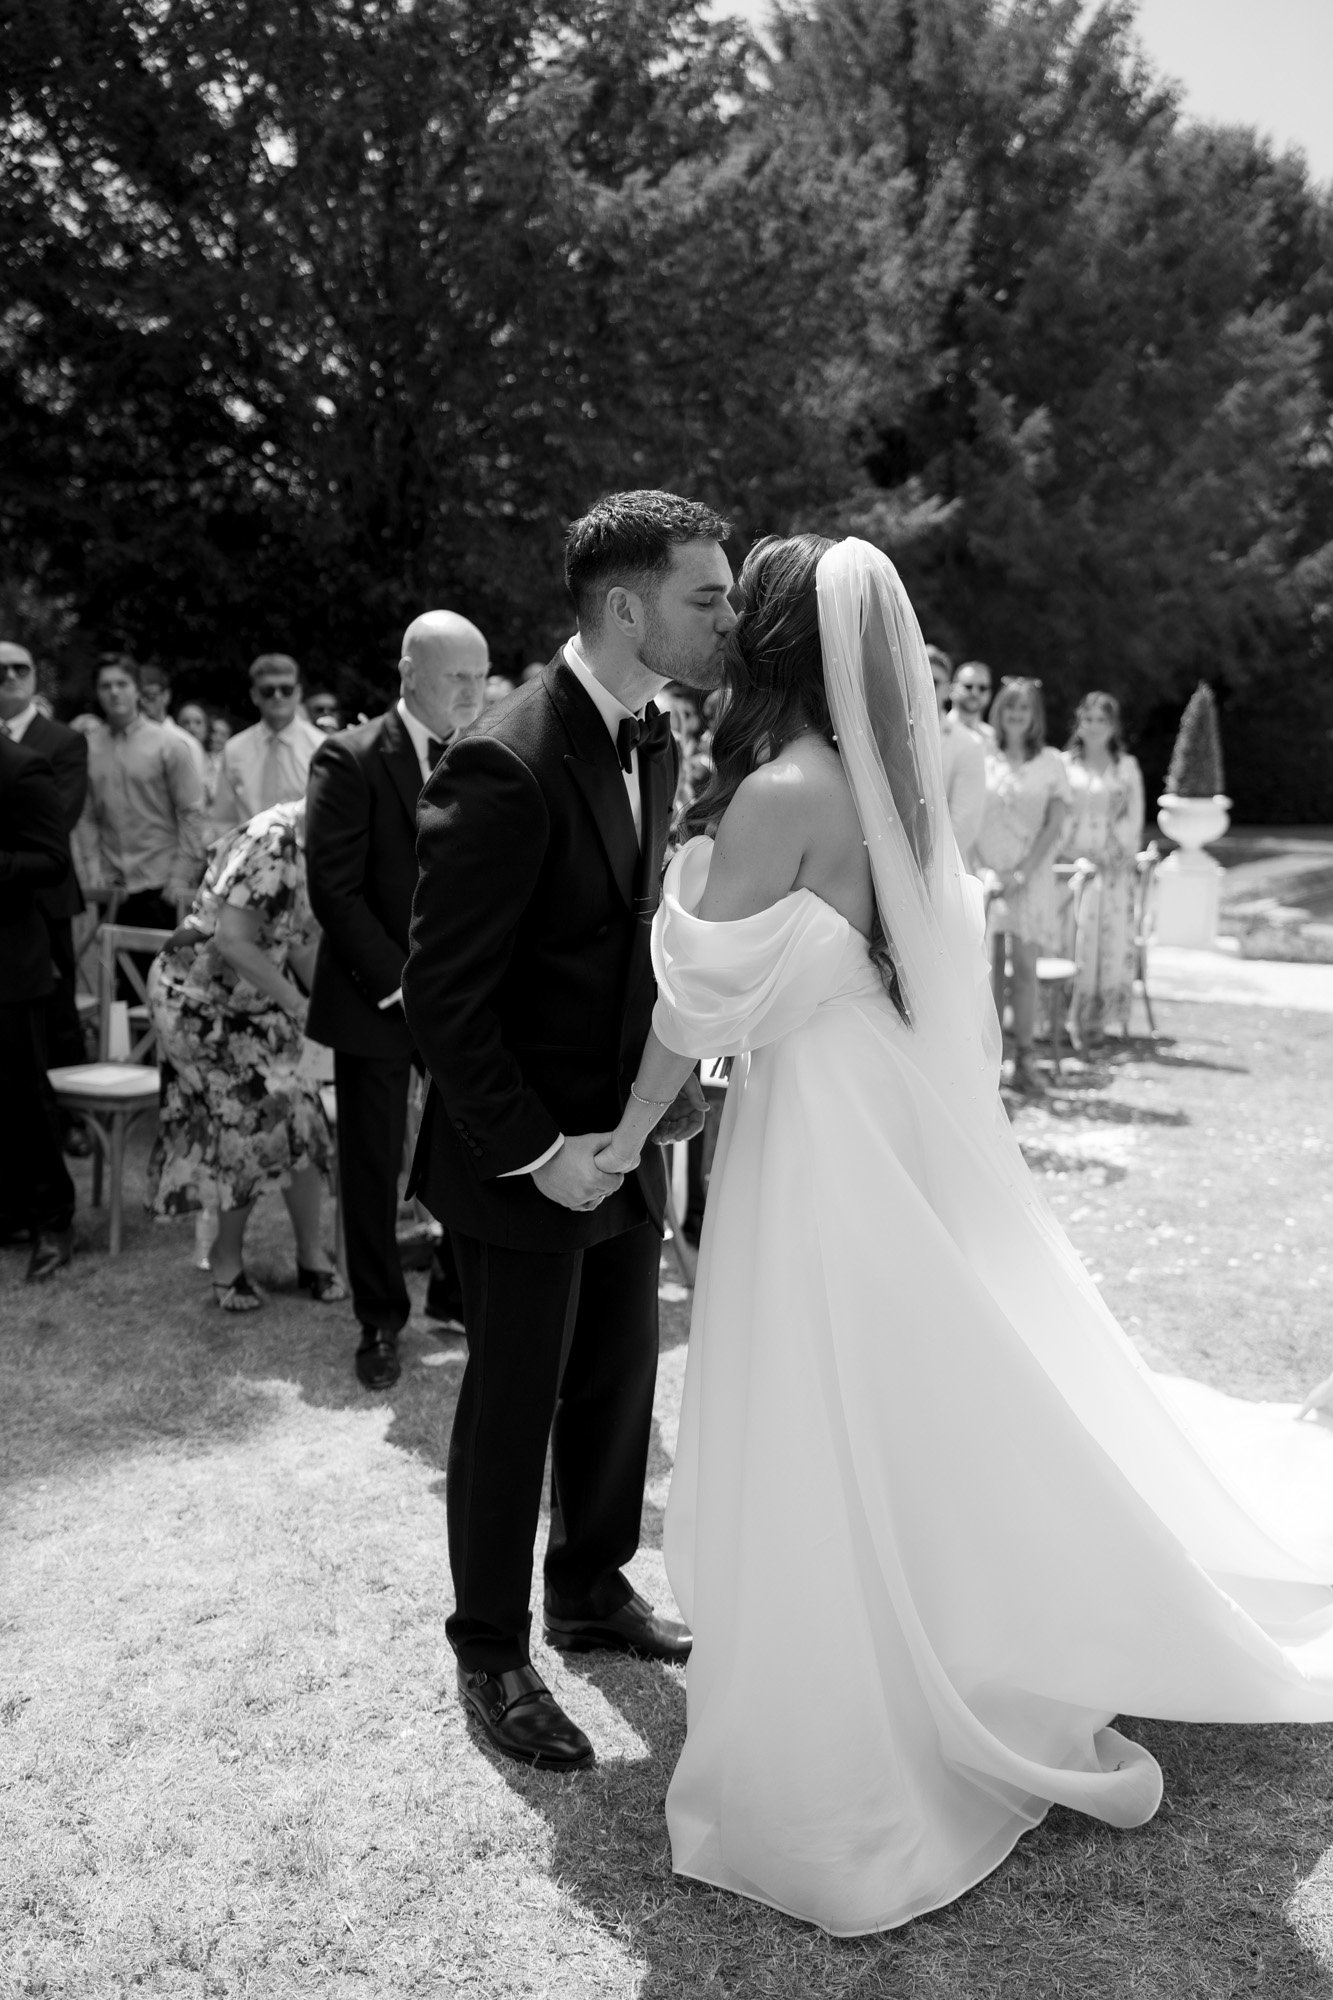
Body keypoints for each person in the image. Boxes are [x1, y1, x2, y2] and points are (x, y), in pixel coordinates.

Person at [591, 533, 1333, 1937]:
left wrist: (628, 1135)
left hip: (812, 1123)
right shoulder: (898, 796)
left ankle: (843, 1715)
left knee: (816, 1398)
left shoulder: (778, 797)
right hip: (874, 1101)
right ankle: (923, 1625)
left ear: (772, 642)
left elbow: (695, 1006)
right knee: (889, 1388)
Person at [402, 489, 724, 1771]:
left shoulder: (656, 732)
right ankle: (490, 1649)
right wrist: (545, 1148)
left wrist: (658, 1096)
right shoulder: (506, 753)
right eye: (705, 595)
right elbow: (444, 992)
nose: (723, 616)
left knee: (616, 1381)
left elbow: (639, 923)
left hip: (626, 1136)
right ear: (627, 605)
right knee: (512, 1403)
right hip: (520, 1156)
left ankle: (589, 1588)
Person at [306, 611, 486, 1392]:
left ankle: (455, 1292)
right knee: (373, 1166)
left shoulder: (487, 755)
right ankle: (379, 1319)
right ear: (409, 673)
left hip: (467, 1001)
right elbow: (335, 893)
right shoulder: (347, 758)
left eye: (482, 678)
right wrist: (408, 987)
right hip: (375, 998)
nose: (474, 694)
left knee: (472, 1151)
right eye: (458, 678)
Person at [147, 799, 344, 1311]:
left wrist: (330, 1008)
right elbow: (233, 941)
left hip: (258, 1003)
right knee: (249, 1121)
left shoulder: (323, 844)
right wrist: (299, 1003)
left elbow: (297, 943)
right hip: (199, 1005)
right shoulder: (271, 839)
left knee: (304, 1118)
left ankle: (312, 1256)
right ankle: (227, 1260)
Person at [0, 643, 91, 1131]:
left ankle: (71, 1122)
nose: (11, 676)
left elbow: (60, 814)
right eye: (1, 669)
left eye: (21, 668)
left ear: (36, 677)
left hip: (45, 897)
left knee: (57, 1015)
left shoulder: (60, 740)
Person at [0, 734, 77, 1280]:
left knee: (22, 1093)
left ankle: (53, 1219)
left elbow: (53, 862)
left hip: (8, 960)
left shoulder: (22, 769)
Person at [974, 677, 1071, 1092]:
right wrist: (985, 871)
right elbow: (965, 811)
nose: (1016, 715)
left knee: (1026, 969)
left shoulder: (1051, 762)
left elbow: (1055, 823)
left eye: (1025, 708)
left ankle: (1026, 1058)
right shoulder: (982, 755)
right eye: (1010, 707)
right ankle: (989, 1061)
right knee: (987, 969)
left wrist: (1023, 872)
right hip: (987, 874)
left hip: (1029, 878)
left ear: (1035, 716)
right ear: (1000, 711)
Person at [85, 655, 207, 929]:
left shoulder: (170, 745)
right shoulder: (89, 748)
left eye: (122, 684)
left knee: (163, 970)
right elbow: (88, 815)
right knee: (113, 971)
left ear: (137, 689)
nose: (114, 692)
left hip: (161, 883)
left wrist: (180, 875)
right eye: (106, 686)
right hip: (113, 884)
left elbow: (191, 813)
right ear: (97, 692)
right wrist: (93, 869)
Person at [1060, 691, 1145, 1047]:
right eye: (1088, 718)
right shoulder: (1065, 765)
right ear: (1079, 722)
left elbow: (1134, 818)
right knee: (1071, 941)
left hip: (1111, 871)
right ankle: (1063, 1018)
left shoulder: (1126, 768)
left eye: (1102, 720)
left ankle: (1098, 1020)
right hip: (1071, 868)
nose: (1094, 726)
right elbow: (1057, 815)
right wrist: (1070, 852)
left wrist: (1114, 853)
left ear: (1113, 726)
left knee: (1106, 942)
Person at [208, 654, 324, 839]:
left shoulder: (320, 747)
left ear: (298, 693)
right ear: (254, 695)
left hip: (305, 858)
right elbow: (223, 820)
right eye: (268, 690)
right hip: (247, 859)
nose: (277, 696)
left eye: (286, 689)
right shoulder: (235, 749)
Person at [927, 645, 985, 861]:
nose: (923, 684)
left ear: (947, 689)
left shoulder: (968, 744)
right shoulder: (884, 734)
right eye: (915, 675)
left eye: (934, 681)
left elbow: (964, 825)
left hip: (942, 870)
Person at [138, 662, 208, 784]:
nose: (143, 703)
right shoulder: (123, 739)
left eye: (150, 696)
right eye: (139, 697)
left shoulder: (185, 743)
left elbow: (195, 797)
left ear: (166, 696)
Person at [950, 659, 996, 749]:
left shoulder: (993, 737)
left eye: (982, 688)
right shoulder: (938, 729)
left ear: (989, 694)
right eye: (968, 686)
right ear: (952, 689)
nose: (975, 693)